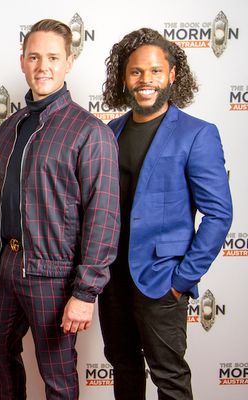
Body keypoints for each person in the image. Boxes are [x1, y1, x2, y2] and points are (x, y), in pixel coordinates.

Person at [0, 19, 120, 400]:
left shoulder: (90, 132)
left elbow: (103, 216)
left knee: (57, 375)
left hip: (54, 273)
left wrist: (86, 291)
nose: (43, 66)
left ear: (69, 63)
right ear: (23, 62)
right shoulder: (10, 126)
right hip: (9, 264)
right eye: (34, 57)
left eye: (53, 57)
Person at [98, 28, 233, 400]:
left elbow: (219, 215)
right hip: (112, 279)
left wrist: (181, 281)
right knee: (124, 368)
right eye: (136, 72)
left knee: (169, 377)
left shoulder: (197, 134)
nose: (146, 80)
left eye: (156, 71)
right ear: (124, 78)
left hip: (162, 281)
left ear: (172, 75)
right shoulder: (110, 131)